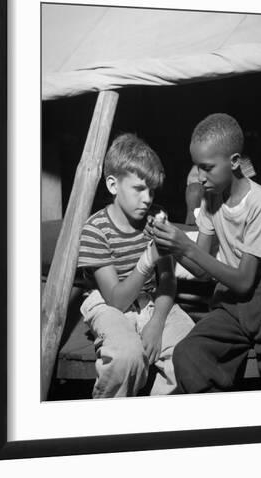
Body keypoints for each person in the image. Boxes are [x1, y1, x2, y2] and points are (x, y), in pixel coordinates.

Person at [150, 114, 261, 392]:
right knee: (188, 354)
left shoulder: (259, 201)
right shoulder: (211, 198)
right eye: (196, 168)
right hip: (229, 301)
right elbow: (202, 271)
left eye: (207, 168)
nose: (200, 178)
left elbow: (244, 279)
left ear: (233, 162)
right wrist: (172, 247)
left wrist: (187, 246)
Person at [77, 133, 194, 398]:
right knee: (126, 357)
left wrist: (156, 322)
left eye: (152, 190)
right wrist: (148, 257)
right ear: (112, 185)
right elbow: (116, 301)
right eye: (139, 189)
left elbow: (167, 280)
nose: (147, 198)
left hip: (153, 301)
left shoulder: (155, 219)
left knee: (190, 350)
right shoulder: (96, 230)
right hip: (108, 305)